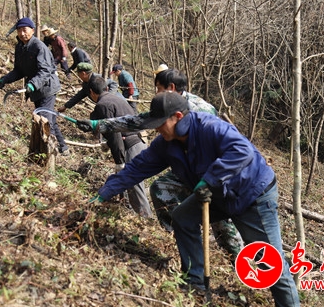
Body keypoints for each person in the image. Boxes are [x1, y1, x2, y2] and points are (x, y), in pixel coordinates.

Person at [91, 92, 307, 307]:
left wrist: (210, 179)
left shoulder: (210, 127)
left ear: (178, 116)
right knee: (183, 217)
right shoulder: (166, 144)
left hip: (252, 194)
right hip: (217, 194)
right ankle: (195, 281)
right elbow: (137, 168)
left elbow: (242, 151)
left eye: (160, 123)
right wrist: (105, 192)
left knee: (268, 258)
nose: (157, 129)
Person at [74, 68, 244, 259]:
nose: (156, 93)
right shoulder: (165, 109)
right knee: (161, 188)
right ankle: (179, 236)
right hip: (187, 168)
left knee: (223, 221)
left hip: (216, 174)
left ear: (171, 88)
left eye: (158, 88)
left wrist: (211, 180)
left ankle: (239, 260)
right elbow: (138, 121)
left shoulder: (198, 110)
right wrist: (99, 125)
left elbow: (231, 149)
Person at [0, 17, 70, 156]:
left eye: (25, 30)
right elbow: (19, 70)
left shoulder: (39, 46)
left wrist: (33, 84)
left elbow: (45, 70)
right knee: (49, 118)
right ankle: (64, 148)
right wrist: (5, 79)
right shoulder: (19, 47)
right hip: (35, 89)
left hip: (47, 87)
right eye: (19, 30)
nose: (22, 33)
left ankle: (50, 154)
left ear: (32, 30)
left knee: (44, 119)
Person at [88, 76, 151, 217]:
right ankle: (126, 214)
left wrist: (119, 161)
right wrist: (107, 144)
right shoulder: (116, 98)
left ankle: (146, 220)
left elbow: (114, 134)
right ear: (106, 88)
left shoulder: (102, 105)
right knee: (125, 183)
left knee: (134, 186)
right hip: (139, 140)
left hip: (131, 145)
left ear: (91, 92)